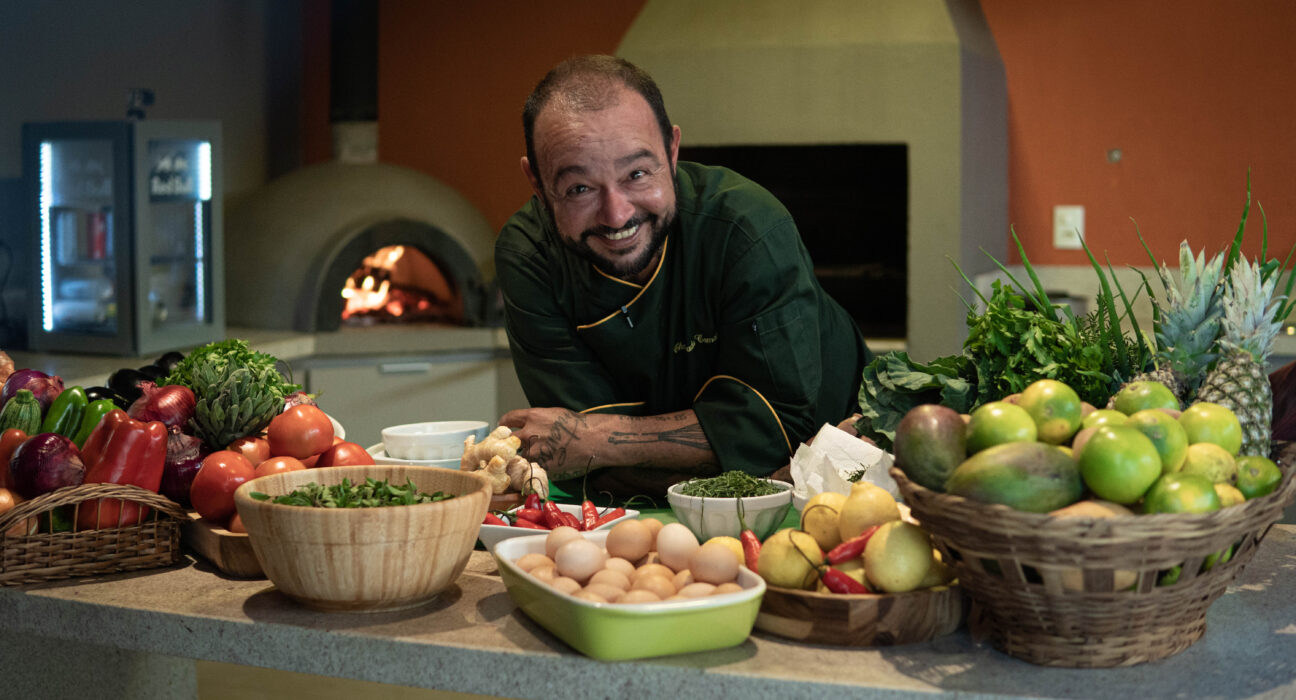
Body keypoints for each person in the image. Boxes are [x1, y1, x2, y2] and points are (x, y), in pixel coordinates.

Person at [495, 55, 872, 497]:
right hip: (730, 488)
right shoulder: (530, 256)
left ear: (672, 151)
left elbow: (777, 425)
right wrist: (763, 473)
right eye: (580, 188)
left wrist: (599, 439)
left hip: (842, 467)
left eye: (637, 173)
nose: (617, 214)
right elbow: (582, 466)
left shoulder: (748, 228)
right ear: (536, 183)